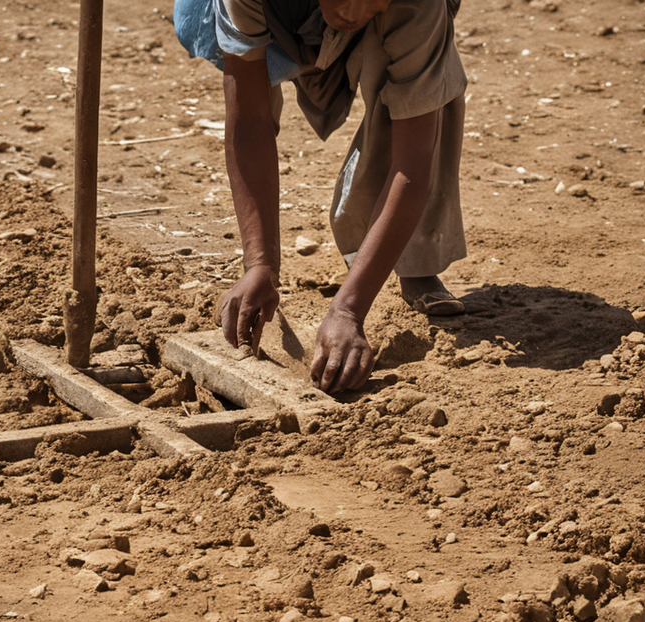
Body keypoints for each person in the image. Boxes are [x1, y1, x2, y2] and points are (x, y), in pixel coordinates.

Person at [173, 0, 469, 395]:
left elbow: (413, 160)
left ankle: (414, 258)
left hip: (377, 34)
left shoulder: (415, 6)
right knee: (243, 62)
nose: (350, 11)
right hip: (280, 20)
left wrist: (349, 309)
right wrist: (260, 262)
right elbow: (249, 119)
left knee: (431, 86)